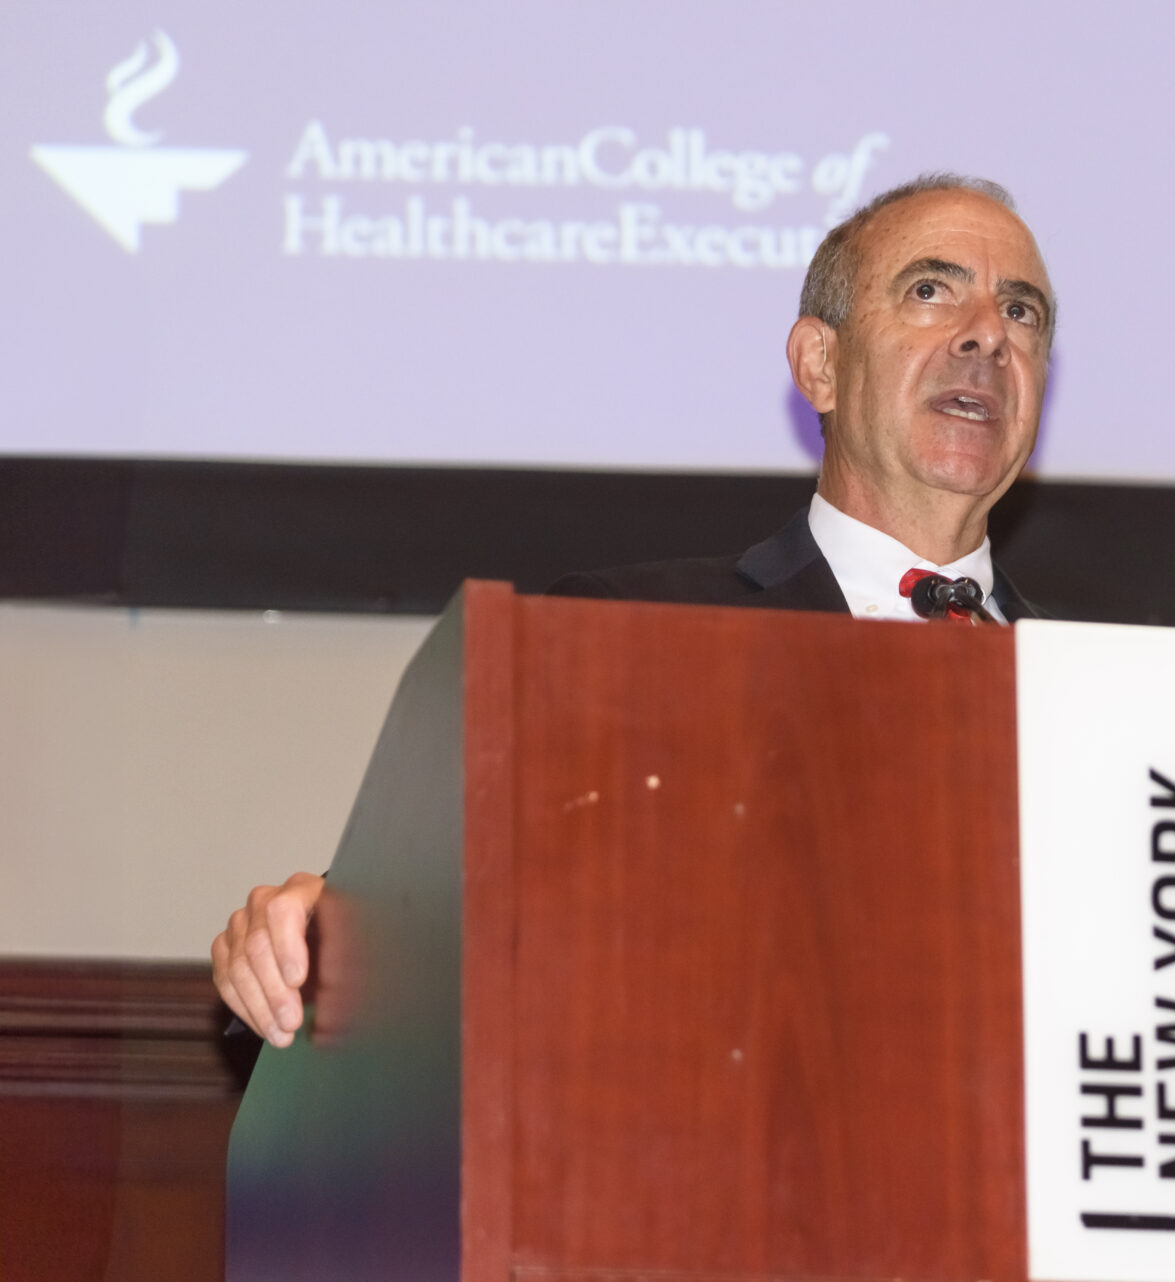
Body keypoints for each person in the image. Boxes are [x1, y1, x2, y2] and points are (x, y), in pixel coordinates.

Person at [213, 172, 1056, 1046]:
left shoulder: (1099, 688)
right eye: (930, 291)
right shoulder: (632, 635)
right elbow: (451, 902)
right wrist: (314, 932)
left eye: (1021, 312)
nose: (988, 335)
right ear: (820, 365)